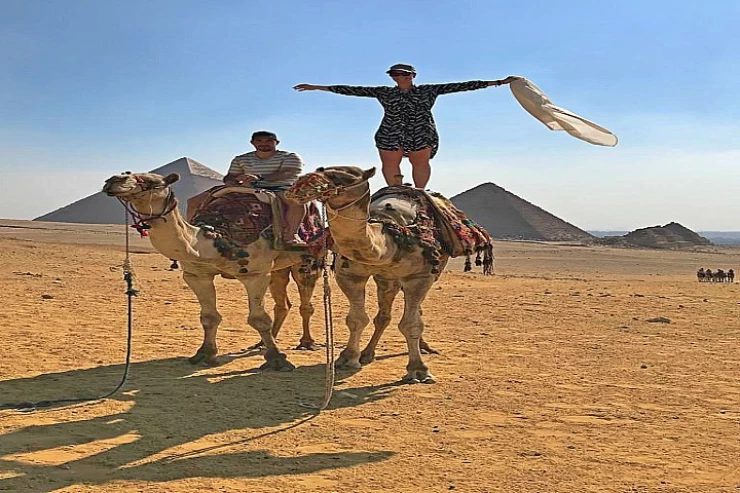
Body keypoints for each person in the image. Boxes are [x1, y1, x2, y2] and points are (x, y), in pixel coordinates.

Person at [294, 63, 518, 189]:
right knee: (389, 162)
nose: (398, 77)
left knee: (419, 161)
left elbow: (462, 86)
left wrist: (497, 82)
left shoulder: (427, 90)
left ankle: (420, 192)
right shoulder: (384, 92)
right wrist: (317, 87)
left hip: (421, 130)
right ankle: (394, 189)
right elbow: (353, 89)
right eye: (395, 74)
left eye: (403, 74)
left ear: (412, 75)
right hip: (390, 131)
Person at [223, 131, 308, 247]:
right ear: (252, 143)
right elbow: (230, 176)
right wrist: (232, 182)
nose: (264, 143)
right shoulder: (241, 159)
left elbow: (287, 173)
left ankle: (291, 235)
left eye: (268, 141)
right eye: (259, 141)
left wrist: (258, 178)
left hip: (280, 188)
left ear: (276, 142)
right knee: (197, 201)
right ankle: (197, 234)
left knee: (296, 203)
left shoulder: (290, 157)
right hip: (248, 189)